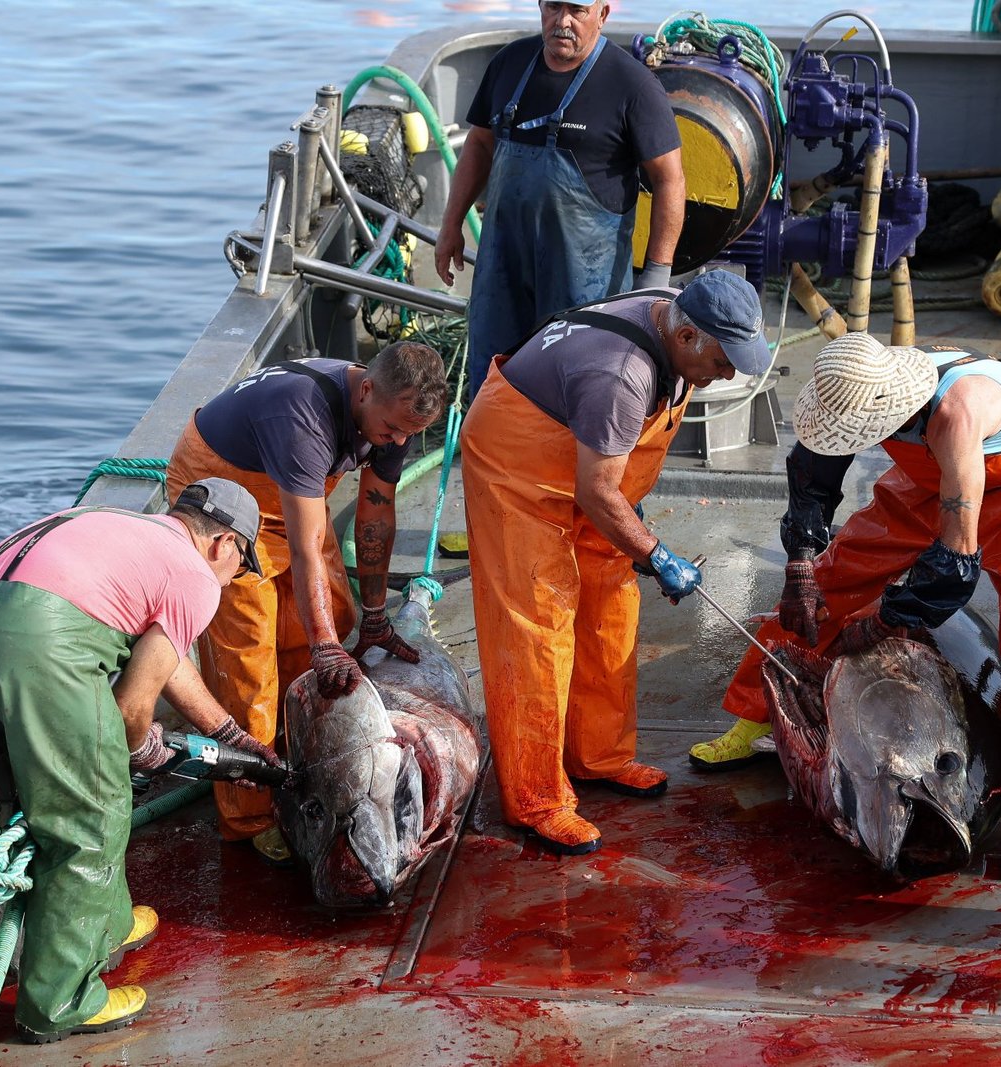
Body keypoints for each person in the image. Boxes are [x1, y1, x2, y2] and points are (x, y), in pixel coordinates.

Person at [689, 333, 1001, 874]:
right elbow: (814, 477)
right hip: (926, 484)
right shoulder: (848, 384)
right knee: (825, 587)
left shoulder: (958, 413)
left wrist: (885, 621)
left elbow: (953, 566)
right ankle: (753, 718)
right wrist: (802, 561)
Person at [0, 479, 277, 1043]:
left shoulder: (133, 531)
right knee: (89, 814)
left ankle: (107, 926)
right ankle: (60, 1003)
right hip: (37, 641)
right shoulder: (195, 576)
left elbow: (165, 662)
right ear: (226, 545)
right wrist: (144, 751)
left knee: (86, 780)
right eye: (241, 568)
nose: (234, 579)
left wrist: (227, 732)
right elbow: (133, 706)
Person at [462, 269, 772, 854]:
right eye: (724, 360)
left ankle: (597, 755)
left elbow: (602, 486)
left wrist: (638, 552)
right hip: (517, 465)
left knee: (610, 603)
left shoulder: (677, 320)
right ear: (685, 340)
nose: (729, 373)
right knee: (538, 621)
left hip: (585, 461)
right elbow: (599, 492)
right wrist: (656, 553)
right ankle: (536, 798)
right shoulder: (621, 375)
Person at [164, 341, 449, 862]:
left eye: (409, 435)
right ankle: (247, 817)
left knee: (331, 619)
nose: (398, 442)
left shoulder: (393, 414)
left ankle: (295, 761)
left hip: (291, 498)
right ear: (365, 390)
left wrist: (375, 614)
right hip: (223, 503)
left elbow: (375, 515)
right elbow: (302, 548)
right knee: (248, 660)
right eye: (390, 432)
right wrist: (325, 646)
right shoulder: (303, 417)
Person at [434, 0, 686, 398]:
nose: (562, 21)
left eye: (577, 10)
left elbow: (669, 180)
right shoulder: (509, 64)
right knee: (492, 380)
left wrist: (656, 276)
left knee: (581, 383)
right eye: (553, 6)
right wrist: (450, 224)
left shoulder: (632, 85)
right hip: (503, 270)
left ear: (602, 14)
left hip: (587, 282)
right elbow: (480, 145)